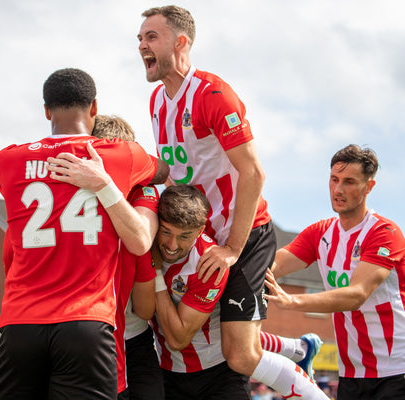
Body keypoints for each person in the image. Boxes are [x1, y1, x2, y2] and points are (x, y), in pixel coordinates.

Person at [137, 6, 326, 399]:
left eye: (151, 37)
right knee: (209, 336)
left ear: (181, 42)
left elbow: (254, 172)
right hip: (201, 238)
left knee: (238, 355)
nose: (142, 46)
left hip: (242, 236)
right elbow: (174, 172)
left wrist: (233, 248)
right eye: (140, 39)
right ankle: (298, 348)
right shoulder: (157, 100)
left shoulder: (212, 93)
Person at [0, 68, 162, 400]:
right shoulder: (119, 155)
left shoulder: (7, 159)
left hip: (21, 321)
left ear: (46, 110)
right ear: (94, 108)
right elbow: (162, 170)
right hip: (86, 321)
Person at [265, 144, 405, 400]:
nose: (338, 189)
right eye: (334, 180)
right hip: (353, 372)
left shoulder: (384, 234)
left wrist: (291, 301)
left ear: (369, 187)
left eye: (350, 182)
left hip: (401, 370)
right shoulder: (321, 233)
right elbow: (271, 267)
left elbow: (356, 295)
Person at [151, 185, 251, 399]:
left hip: (219, 375)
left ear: (199, 231)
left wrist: (155, 271)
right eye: (166, 231)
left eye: (184, 237)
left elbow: (178, 339)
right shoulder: (143, 239)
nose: (171, 245)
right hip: (167, 372)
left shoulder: (210, 262)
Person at [91, 115, 164, 400]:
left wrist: (146, 263)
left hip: (131, 334)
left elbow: (141, 242)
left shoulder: (143, 193)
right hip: (96, 333)